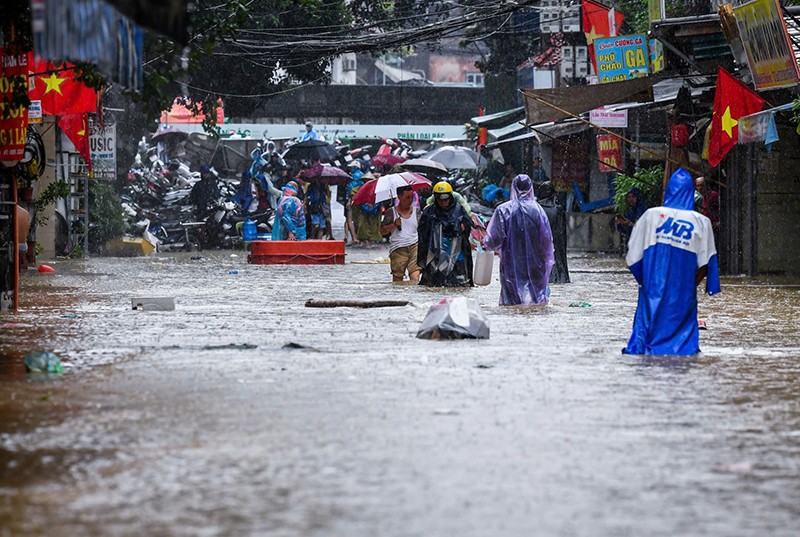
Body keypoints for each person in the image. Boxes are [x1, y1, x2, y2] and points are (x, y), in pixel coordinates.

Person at [623, 168, 721, 355]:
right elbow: (707, 263)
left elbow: (633, 258)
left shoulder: (650, 216)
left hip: (652, 291)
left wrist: (647, 283)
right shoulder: (702, 222)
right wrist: (690, 287)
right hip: (683, 293)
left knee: (645, 342)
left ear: (669, 191)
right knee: (684, 347)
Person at [482, 174, 555, 305]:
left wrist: (485, 244)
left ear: (513, 187)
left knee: (512, 299)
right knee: (536, 298)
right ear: (530, 188)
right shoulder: (538, 210)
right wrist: (546, 259)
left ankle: (515, 318)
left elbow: (495, 238)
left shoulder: (503, 210)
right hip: (536, 260)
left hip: (511, 260)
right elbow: (547, 240)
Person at [417, 181, 474, 287]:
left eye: (445, 199)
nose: (443, 202)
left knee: (460, 286)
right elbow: (422, 234)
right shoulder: (429, 211)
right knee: (434, 285)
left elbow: (468, 225)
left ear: (450, 197)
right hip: (435, 254)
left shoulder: (459, 210)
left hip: (457, 255)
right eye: (439, 199)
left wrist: (464, 227)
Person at [380, 186, 420, 282]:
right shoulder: (391, 212)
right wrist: (394, 225)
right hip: (398, 249)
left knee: (415, 277)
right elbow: (382, 231)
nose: (410, 200)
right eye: (407, 197)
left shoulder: (417, 212)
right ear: (399, 197)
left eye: (412, 197)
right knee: (398, 280)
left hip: (415, 246)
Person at [535, 180, 570, 284]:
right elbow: (561, 233)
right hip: (555, 244)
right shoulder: (557, 209)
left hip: (538, 244)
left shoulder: (535, 207)